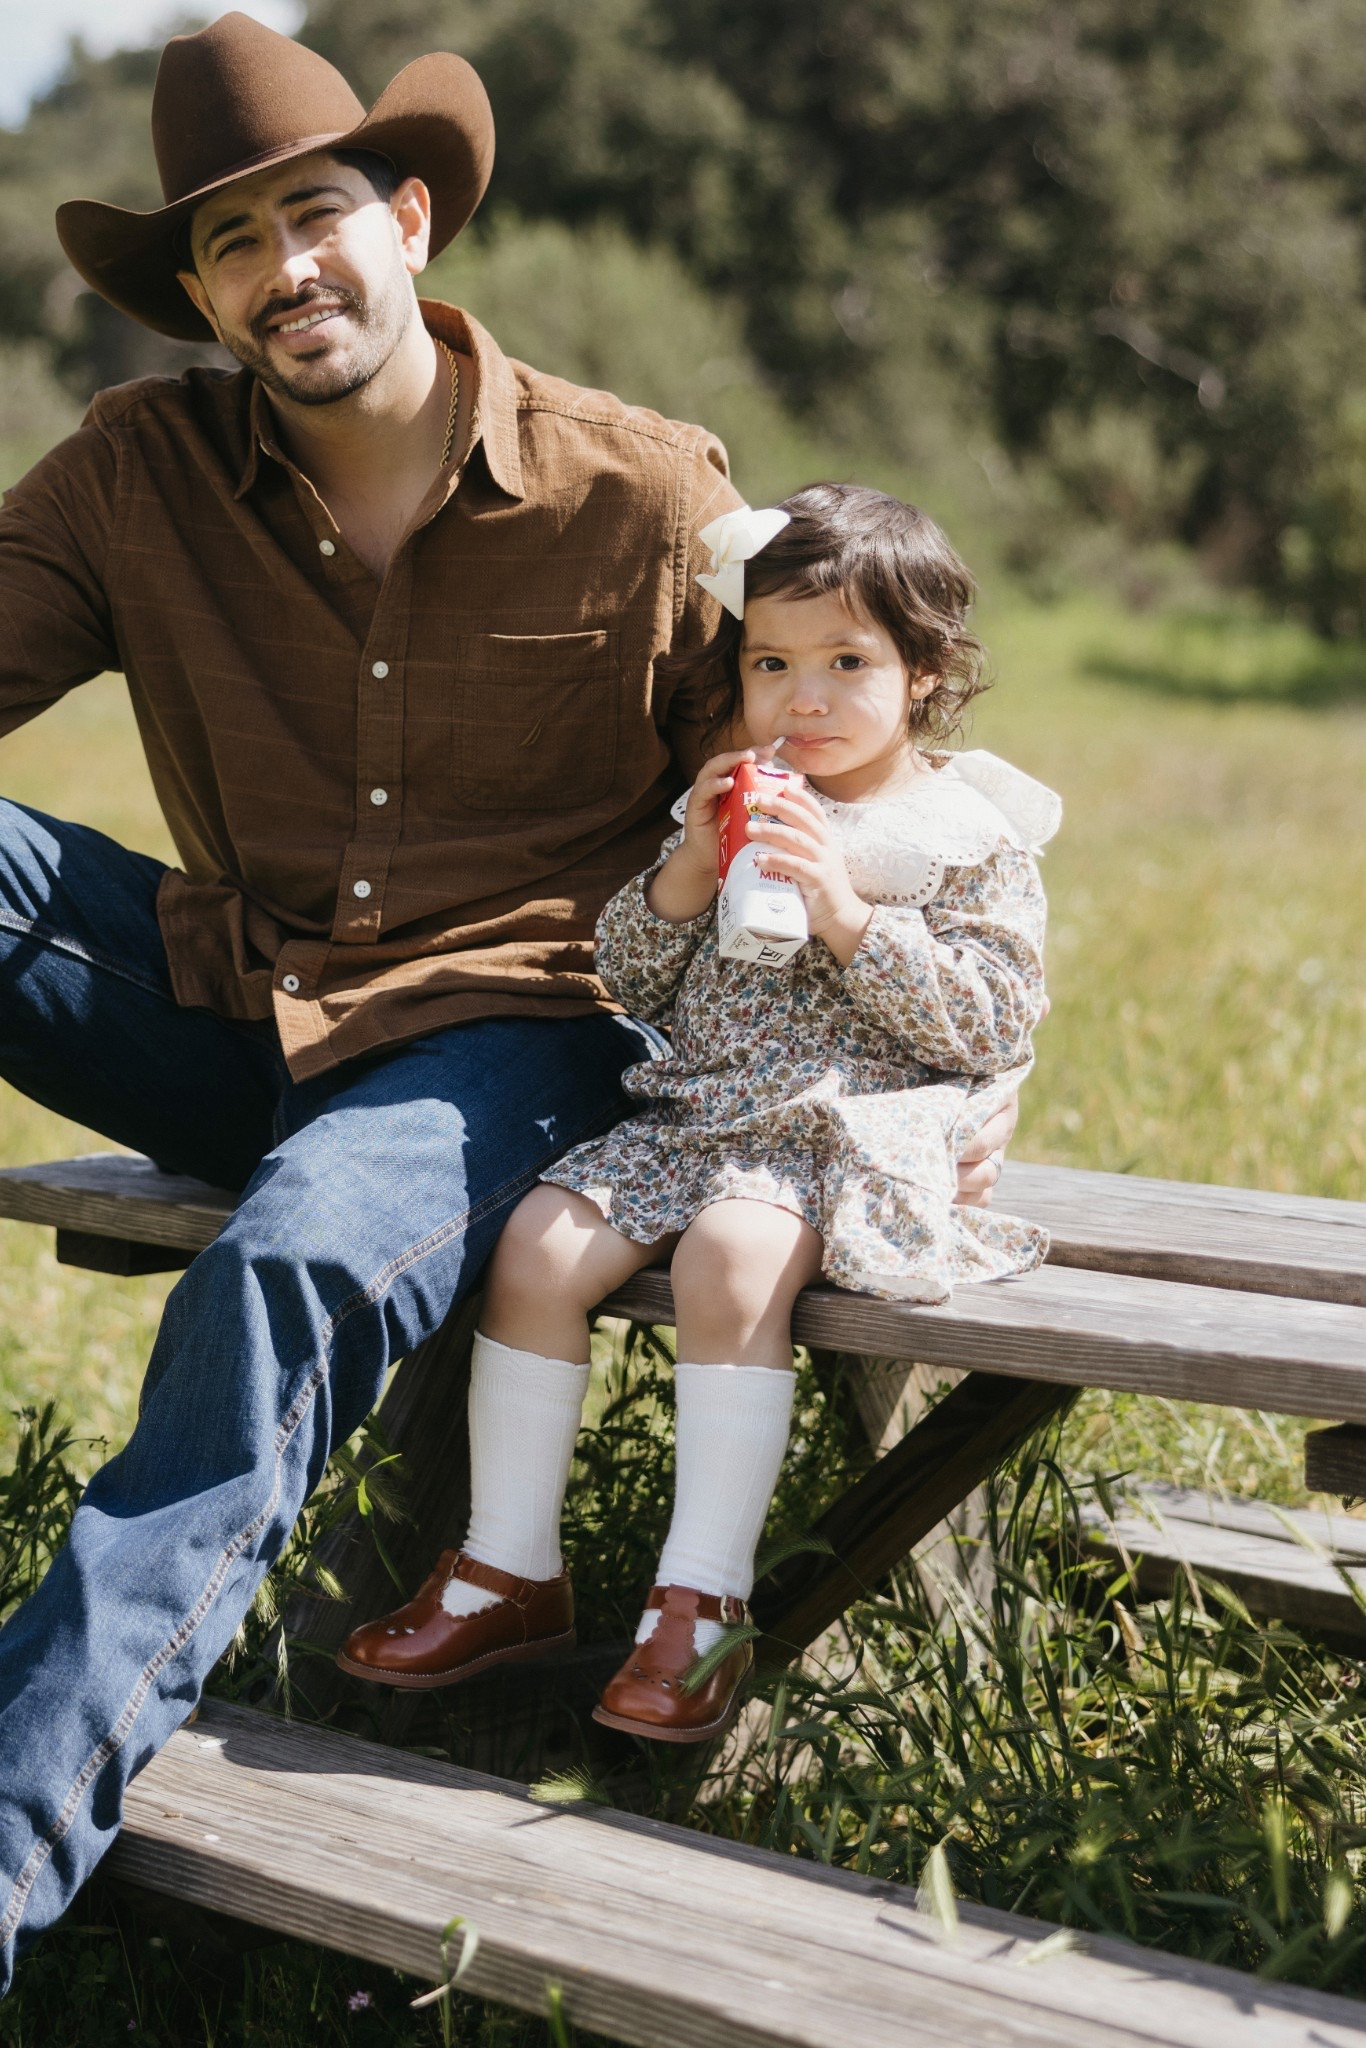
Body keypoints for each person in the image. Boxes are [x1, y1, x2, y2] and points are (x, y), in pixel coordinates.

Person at [0, 14, 1020, 1988]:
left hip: (511, 1041)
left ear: (404, 216)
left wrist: (927, 1056)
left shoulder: (642, 498)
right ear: (199, 294)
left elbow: (857, 764)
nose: (281, 270)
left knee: (286, 1271)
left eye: (311, 217)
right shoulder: (140, 470)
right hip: (241, 1001)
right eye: (228, 246)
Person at [339, 482, 1060, 1742]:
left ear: (926, 670)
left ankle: (700, 1604)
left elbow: (997, 1016)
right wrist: (684, 869)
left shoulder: (960, 832)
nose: (807, 697)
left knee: (732, 1261)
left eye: (848, 662)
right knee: (540, 1242)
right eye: (773, 662)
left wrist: (846, 910)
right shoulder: (728, 796)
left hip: (840, 1129)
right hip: (700, 1116)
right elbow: (631, 972)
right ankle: (509, 1564)